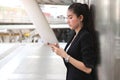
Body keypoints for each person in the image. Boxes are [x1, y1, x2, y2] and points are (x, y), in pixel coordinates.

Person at [48, 3, 98, 80]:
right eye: (67, 18)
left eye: (70, 18)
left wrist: (65, 55)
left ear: (80, 18)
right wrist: (59, 51)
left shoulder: (85, 36)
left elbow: (88, 69)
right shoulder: (74, 35)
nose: (67, 21)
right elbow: (72, 59)